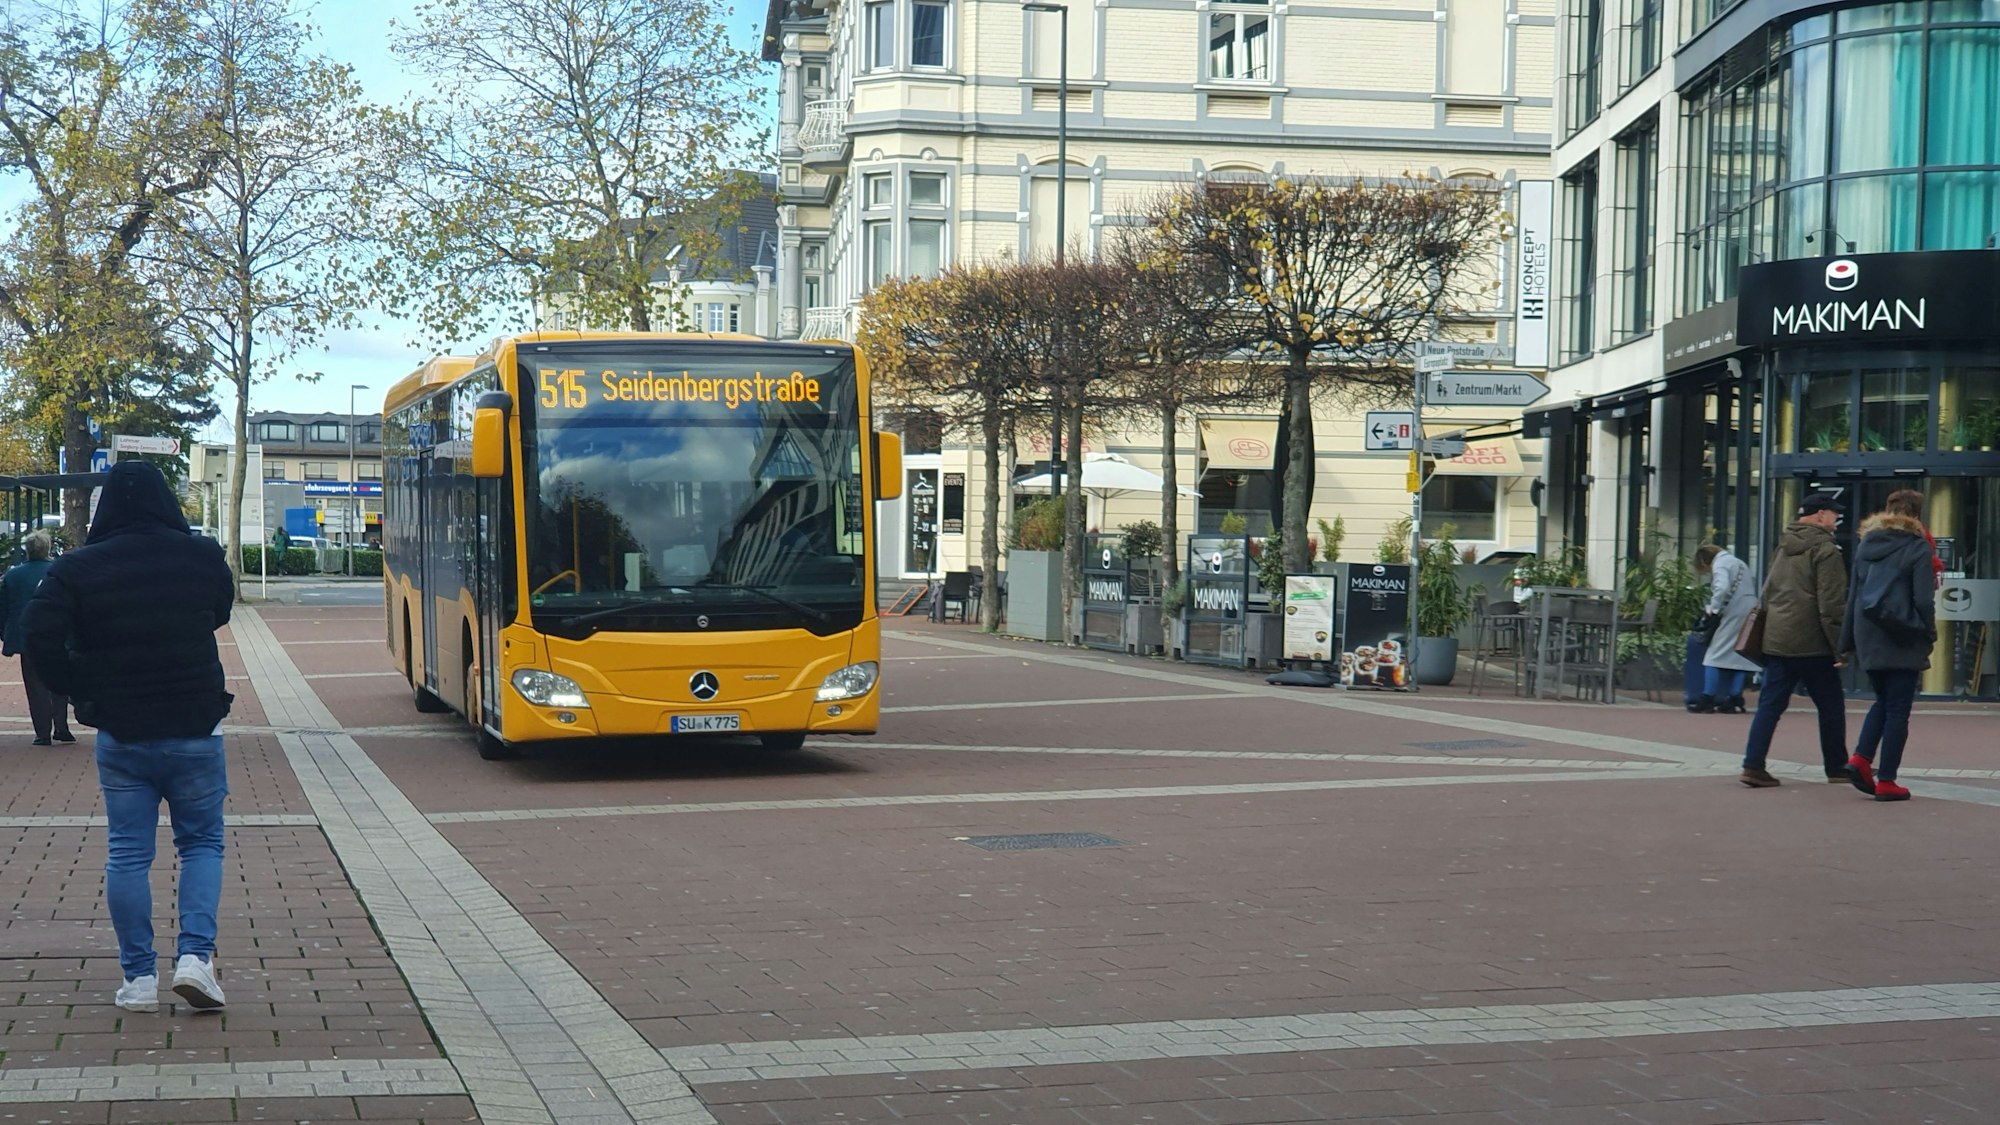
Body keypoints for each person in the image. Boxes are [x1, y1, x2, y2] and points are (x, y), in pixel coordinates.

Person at [19, 462, 236, 1013]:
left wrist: (78, 689)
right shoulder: (201, 555)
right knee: (202, 844)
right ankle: (195, 960)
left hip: (122, 730)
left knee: (128, 853)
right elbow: (219, 611)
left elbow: (37, 633)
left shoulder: (77, 567)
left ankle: (139, 979)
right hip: (194, 723)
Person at [1738, 493, 1852, 788]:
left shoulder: (1783, 546)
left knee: (1770, 705)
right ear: (1818, 515)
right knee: (1830, 706)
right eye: (1833, 513)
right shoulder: (1825, 550)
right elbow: (1831, 603)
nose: (1836, 519)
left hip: (1778, 639)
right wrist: (1839, 646)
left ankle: (1753, 764)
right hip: (1812, 642)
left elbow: (1771, 591)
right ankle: (1837, 766)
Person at [1838, 497, 1938, 802]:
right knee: (1898, 711)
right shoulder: (1917, 546)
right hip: (1903, 635)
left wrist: (1846, 643)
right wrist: (1929, 631)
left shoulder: (1866, 547)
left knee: (1882, 702)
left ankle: (1861, 758)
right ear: (1917, 515)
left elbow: (1853, 596)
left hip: (1869, 634)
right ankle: (1888, 780)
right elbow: (1922, 598)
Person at [2, 532, 75, 745]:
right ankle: (61, 727)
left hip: (27, 637)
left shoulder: (13, 575)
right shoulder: (60, 571)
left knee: (34, 685)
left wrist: (5, 633)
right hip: (59, 635)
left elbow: (3, 608)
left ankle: (42, 733)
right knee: (60, 680)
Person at [1692, 544, 1761, 714]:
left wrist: (1713, 610)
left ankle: (1707, 698)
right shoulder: (1739, 563)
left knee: (1713, 655)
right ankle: (1735, 697)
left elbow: (1721, 588)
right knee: (1739, 654)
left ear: (1704, 561)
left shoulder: (1720, 564)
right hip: (1749, 608)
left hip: (1733, 611)